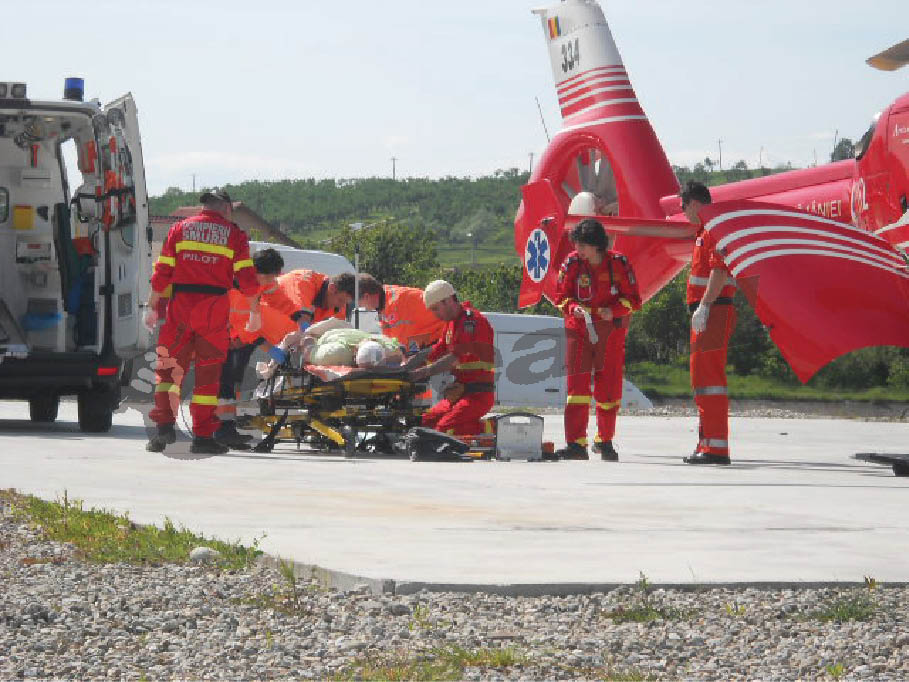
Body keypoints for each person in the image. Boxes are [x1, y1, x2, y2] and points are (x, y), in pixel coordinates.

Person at [144, 189, 259, 454]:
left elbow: (162, 271)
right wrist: (255, 310)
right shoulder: (234, 235)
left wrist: (151, 306)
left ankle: (163, 430)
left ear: (204, 207)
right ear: (227, 208)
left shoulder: (180, 229)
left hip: (181, 307)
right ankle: (203, 437)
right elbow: (246, 277)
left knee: (168, 371)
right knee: (208, 378)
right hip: (214, 309)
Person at [553, 195, 642, 461]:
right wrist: (572, 308)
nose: (578, 249)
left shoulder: (620, 264)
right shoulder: (571, 263)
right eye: (576, 244)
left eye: (582, 245)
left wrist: (612, 311)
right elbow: (561, 296)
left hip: (610, 333)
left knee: (609, 391)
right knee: (577, 391)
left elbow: (634, 300)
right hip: (578, 331)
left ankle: (604, 441)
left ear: (596, 245)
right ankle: (575, 444)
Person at [215, 247, 298, 448]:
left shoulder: (259, 283)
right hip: (222, 337)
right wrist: (269, 347)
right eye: (270, 278)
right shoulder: (235, 289)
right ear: (259, 273)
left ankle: (226, 428)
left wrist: (300, 320)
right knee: (224, 381)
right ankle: (220, 429)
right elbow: (242, 323)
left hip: (240, 337)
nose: (271, 283)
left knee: (233, 381)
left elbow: (279, 300)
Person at [681, 180, 737, 465]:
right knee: (703, 380)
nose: (684, 213)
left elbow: (719, 269)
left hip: (713, 312)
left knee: (709, 380)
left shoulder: (713, 229)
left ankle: (715, 448)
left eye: (684, 207)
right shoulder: (705, 231)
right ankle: (708, 444)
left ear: (693, 203)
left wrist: (704, 306)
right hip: (709, 313)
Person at [409, 280, 496, 436]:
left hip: (477, 395)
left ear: (448, 300)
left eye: (436, 309)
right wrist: (406, 365)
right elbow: (435, 351)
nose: (435, 314)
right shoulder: (451, 325)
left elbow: (455, 358)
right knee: (426, 421)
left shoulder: (471, 322)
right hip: (459, 393)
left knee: (443, 430)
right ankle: (472, 426)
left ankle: (492, 429)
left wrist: (424, 372)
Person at [357, 274, 447, 352]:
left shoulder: (396, 305)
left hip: (444, 334)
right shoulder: (382, 299)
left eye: (360, 304)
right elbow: (390, 336)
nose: (363, 308)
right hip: (430, 337)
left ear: (366, 297)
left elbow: (403, 344)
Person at [277, 269, 356, 328]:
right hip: (267, 328)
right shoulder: (303, 282)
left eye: (345, 303)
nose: (341, 305)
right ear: (332, 288)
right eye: (340, 300)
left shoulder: (339, 305)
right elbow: (302, 319)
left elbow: (335, 333)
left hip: (279, 338)